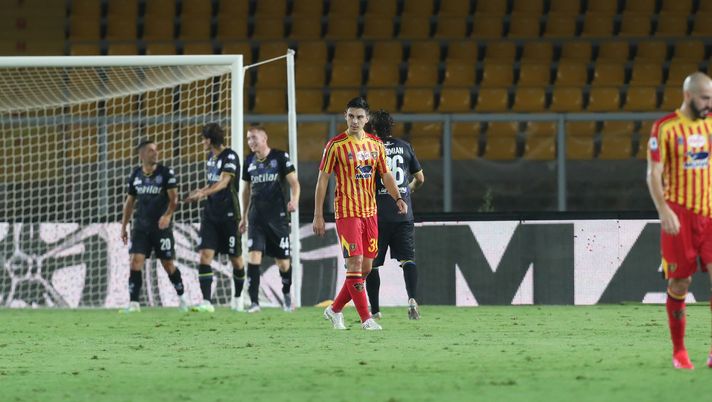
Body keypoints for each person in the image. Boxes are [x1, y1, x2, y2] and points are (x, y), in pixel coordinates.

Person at [313, 97, 406, 330]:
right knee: (354, 264)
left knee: (365, 268)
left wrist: (398, 197)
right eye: (351, 116)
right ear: (345, 116)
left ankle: (334, 310)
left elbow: (385, 175)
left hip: (370, 213)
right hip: (347, 213)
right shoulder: (335, 145)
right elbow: (322, 179)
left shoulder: (376, 144)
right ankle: (367, 319)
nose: (355, 121)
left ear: (367, 119)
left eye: (360, 117)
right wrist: (318, 214)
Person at [646, 72, 712, 369]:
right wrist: (663, 210)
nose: (709, 104)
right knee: (680, 282)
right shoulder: (665, 128)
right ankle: (679, 351)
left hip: (709, 214)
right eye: (705, 98)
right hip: (678, 215)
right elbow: (653, 173)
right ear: (688, 96)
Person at [364, 110, 425, 320]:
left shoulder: (370, 147)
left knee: (372, 264)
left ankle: (375, 311)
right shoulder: (405, 146)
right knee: (408, 259)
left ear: (371, 127)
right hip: (403, 213)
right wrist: (407, 190)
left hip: (377, 215)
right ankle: (412, 300)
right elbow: (421, 178)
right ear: (391, 126)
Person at [120, 140, 187, 312]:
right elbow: (129, 202)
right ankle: (134, 303)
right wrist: (124, 226)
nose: (155, 153)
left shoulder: (166, 173)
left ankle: (183, 298)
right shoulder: (136, 175)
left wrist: (167, 216)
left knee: (167, 264)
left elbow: (174, 200)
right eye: (151, 151)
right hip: (141, 228)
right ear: (141, 154)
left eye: (156, 150)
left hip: (161, 228)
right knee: (135, 262)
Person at [239, 125, 301, 312]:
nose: (251, 141)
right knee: (253, 257)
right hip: (256, 218)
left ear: (264, 138)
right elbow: (246, 190)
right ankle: (254, 302)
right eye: (248, 138)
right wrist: (243, 217)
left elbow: (294, 184)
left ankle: (287, 294)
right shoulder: (248, 160)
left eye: (254, 138)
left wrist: (295, 200)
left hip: (278, 218)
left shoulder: (280, 157)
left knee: (282, 262)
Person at [184, 123, 245, 313]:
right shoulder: (211, 158)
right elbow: (212, 183)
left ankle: (237, 299)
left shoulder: (230, 156)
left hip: (229, 215)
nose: (202, 142)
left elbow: (224, 182)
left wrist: (202, 193)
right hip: (210, 214)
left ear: (209, 140)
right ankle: (207, 302)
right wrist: (201, 192)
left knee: (236, 259)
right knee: (205, 256)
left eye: (203, 138)